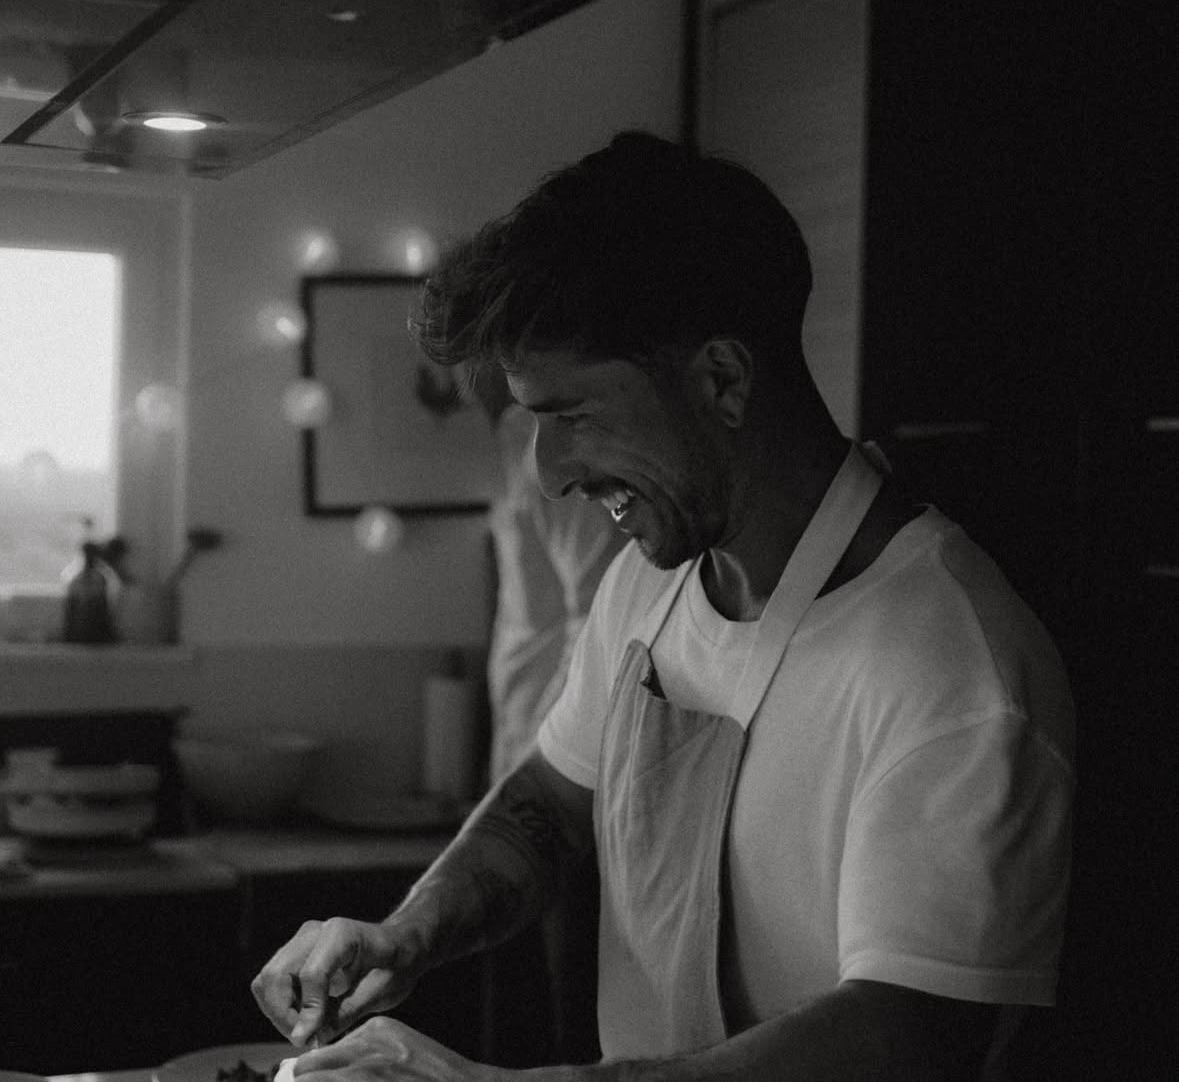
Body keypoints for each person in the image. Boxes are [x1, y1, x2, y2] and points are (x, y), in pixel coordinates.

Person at [252, 131, 1075, 1081]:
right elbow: (549, 802)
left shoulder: (958, 673)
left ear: (721, 379)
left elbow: (904, 1040)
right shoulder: (651, 579)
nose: (548, 474)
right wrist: (405, 934)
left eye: (570, 417)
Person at [470, 361, 624, 1064]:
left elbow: (593, 606)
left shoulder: (539, 441)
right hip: (525, 757)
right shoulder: (511, 440)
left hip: (560, 767)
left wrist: (547, 753)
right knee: (528, 1002)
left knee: (567, 1011)